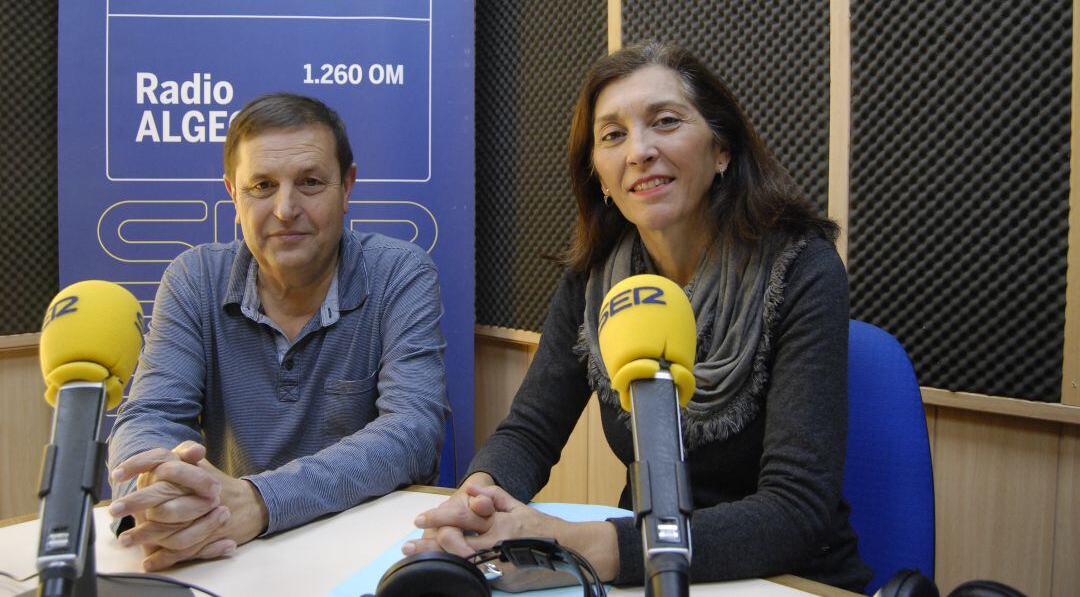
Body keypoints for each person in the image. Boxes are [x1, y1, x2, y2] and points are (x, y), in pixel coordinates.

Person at [406, 42, 872, 591]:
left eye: (665, 122)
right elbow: (531, 432)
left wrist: (580, 544)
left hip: (786, 578)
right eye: (613, 135)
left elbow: (795, 511)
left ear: (721, 149)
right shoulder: (597, 278)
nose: (639, 151)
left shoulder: (802, 269)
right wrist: (477, 500)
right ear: (600, 174)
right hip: (640, 568)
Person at [107, 93, 449, 572]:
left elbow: (412, 431)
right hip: (231, 553)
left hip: (367, 555)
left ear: (347, 187)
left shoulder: (399, 273)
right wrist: (160, 492)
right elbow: (149, 416)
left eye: (310, 182)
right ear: (233, 193)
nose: (286, 208)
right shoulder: (193, 279)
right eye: (262, 186)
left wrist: (262, 501)